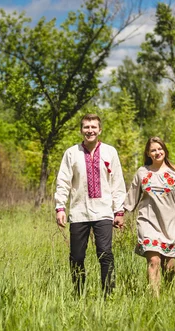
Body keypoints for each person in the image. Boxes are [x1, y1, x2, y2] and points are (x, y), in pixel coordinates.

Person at [55, 113, 126, 296]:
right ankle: (78, 295)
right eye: (86, 127)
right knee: (77, 257)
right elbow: (63, 181)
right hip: (79, 212)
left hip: (103, 211)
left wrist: (119, 210)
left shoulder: (110, 152)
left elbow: (117, 182)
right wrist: (60, 207)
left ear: (100, 130)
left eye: (93, 127)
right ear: (81, 130)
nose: (90, 130)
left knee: (105, 254)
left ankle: (108, 296)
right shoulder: (71, 153)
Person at [124, 137, 175, 296]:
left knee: (169, 267)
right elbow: (131, 197)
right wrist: (120, 215)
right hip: (148, 222)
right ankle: (155, 299)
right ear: (148, 153)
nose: (157, 152)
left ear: (165, 150)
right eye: (153, 150)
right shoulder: (142, 172)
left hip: (169, 225)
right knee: (154, 261)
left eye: (159, 149)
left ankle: (168, 294)